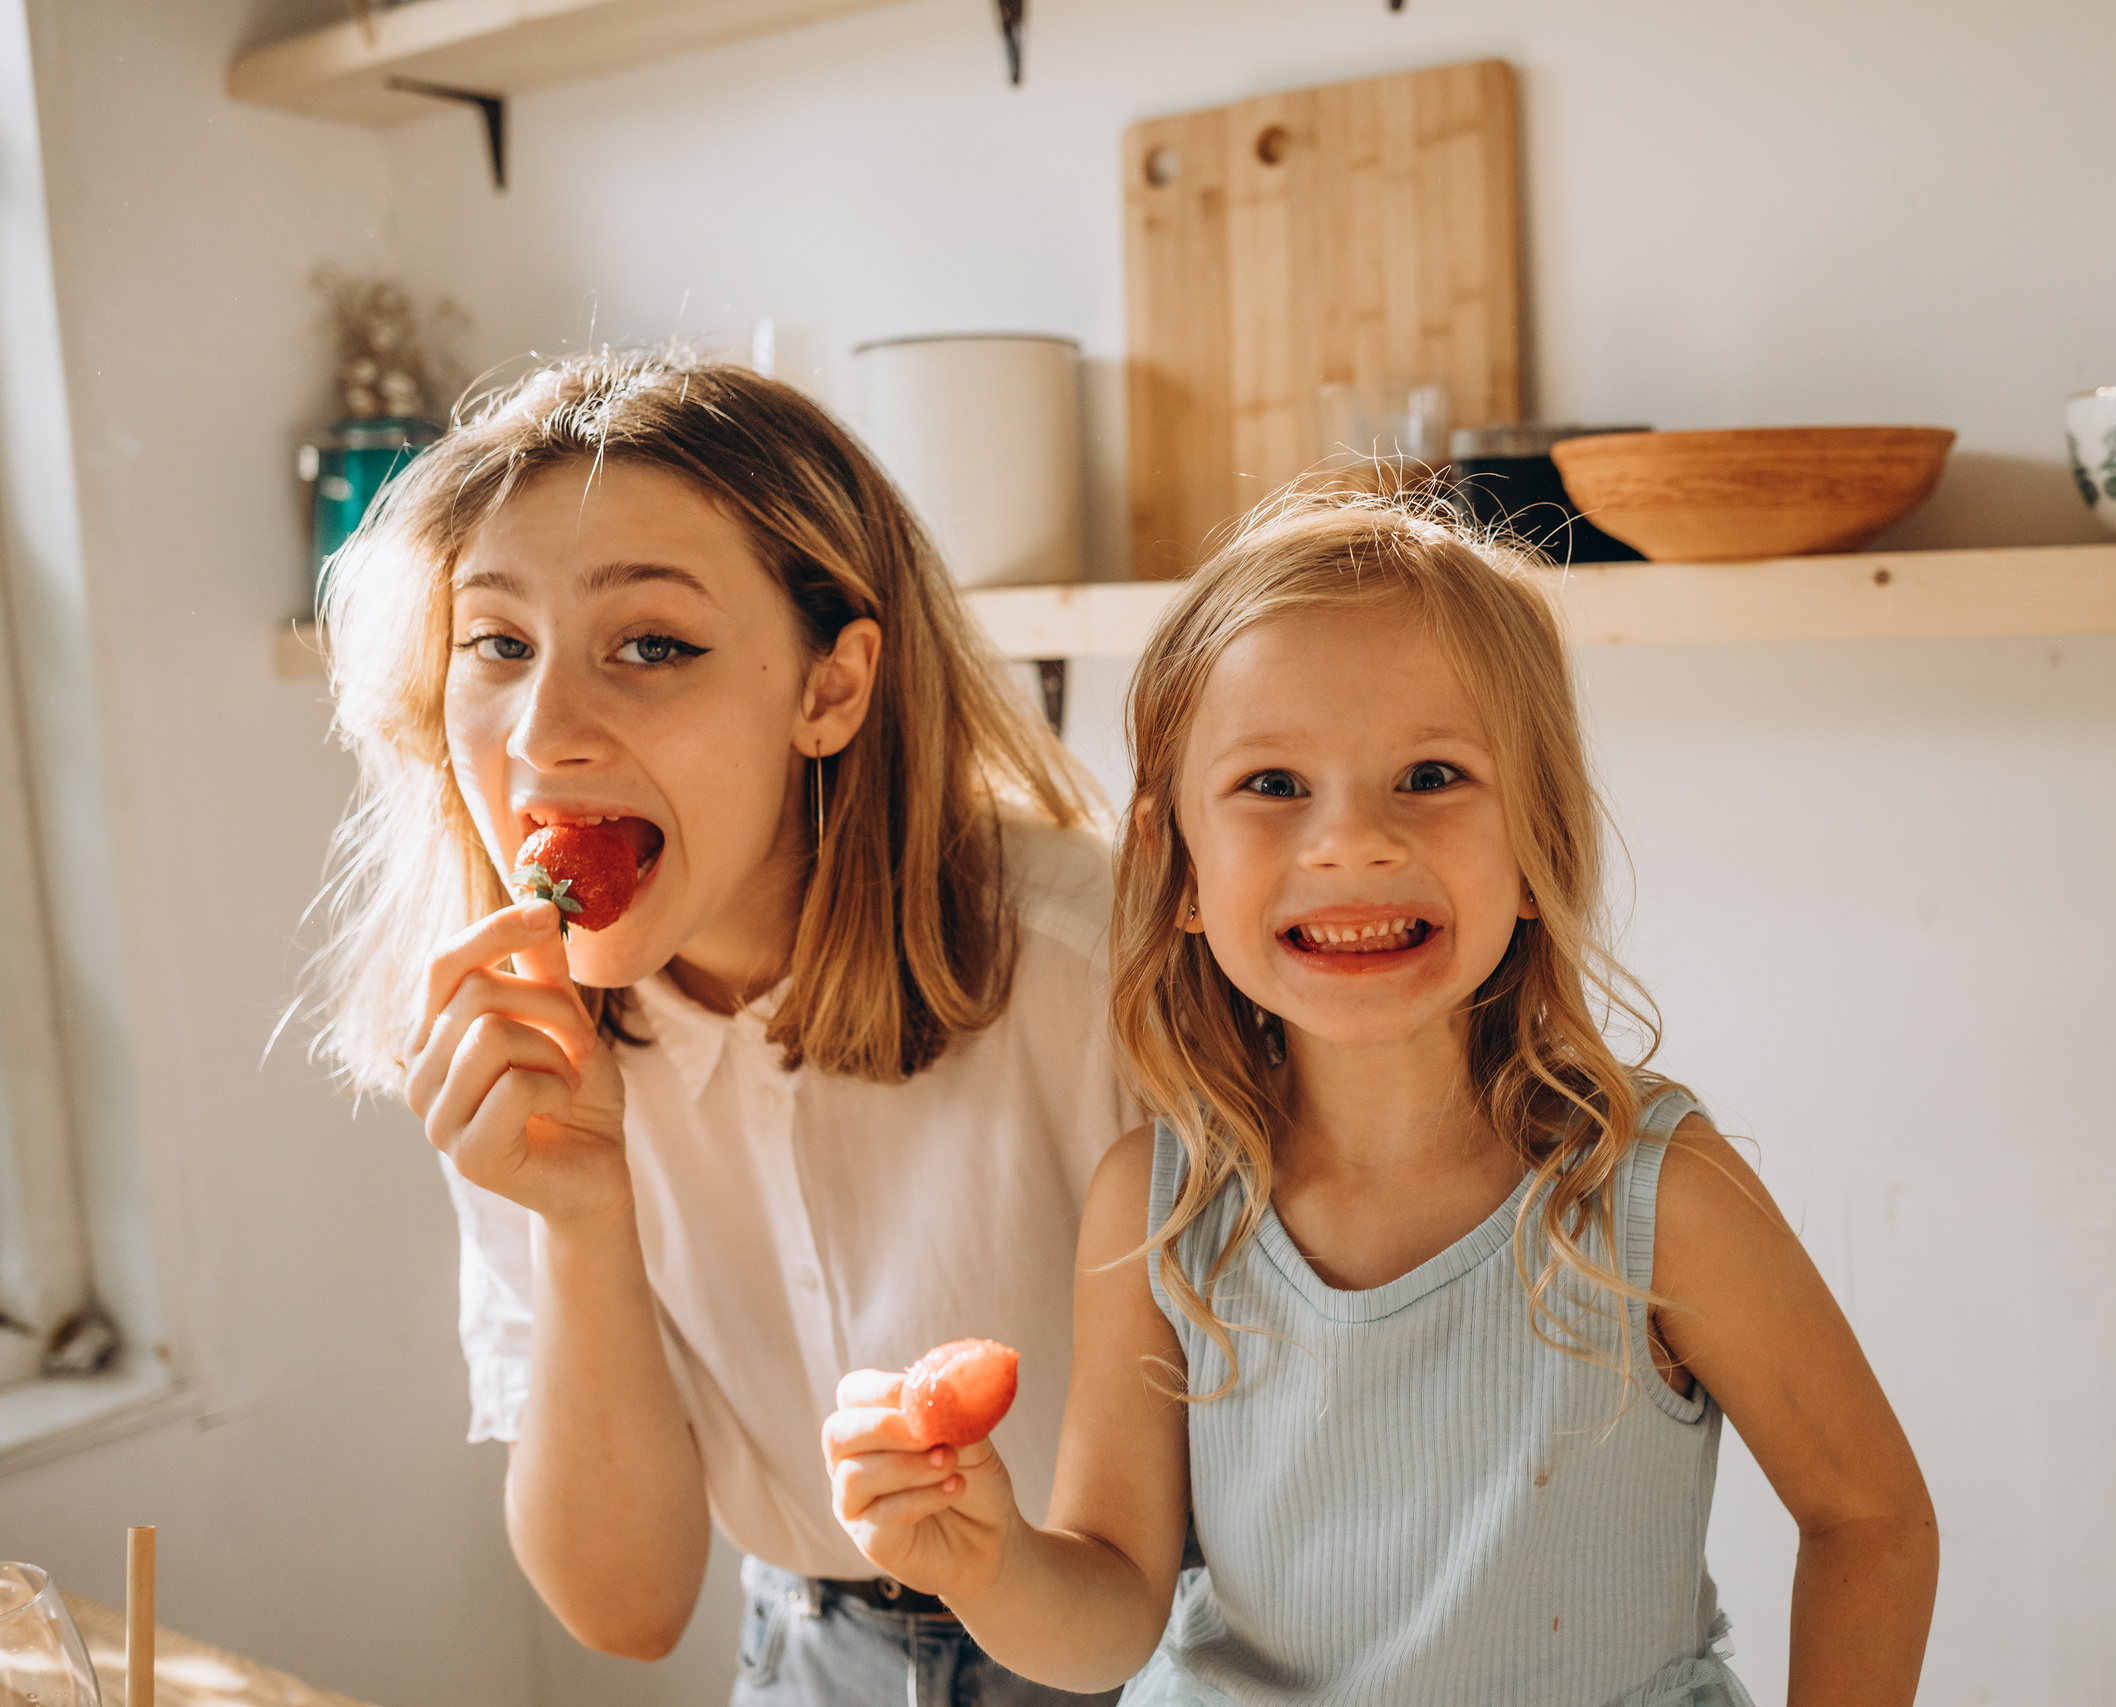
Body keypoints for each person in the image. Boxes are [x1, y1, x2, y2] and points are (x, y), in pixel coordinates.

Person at [821, 493, 1939, 1706]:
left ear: (1539, 844)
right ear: (1173, 866)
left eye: (1429, 774)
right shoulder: (1151, 1207)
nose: (1350, 840)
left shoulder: (1651, 1192)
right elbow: (1107, 1620)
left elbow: (1870, 1520)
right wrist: (986, 1565)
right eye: (1271, 785)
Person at [308, 351, 1135, 1706]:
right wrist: (580, 1219)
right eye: (499, 644)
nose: (545, 731)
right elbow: (626, 1608)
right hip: (807, 1655)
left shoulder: (1097, 967)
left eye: (652, 644)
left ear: (831, 687)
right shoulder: (508, 1043)